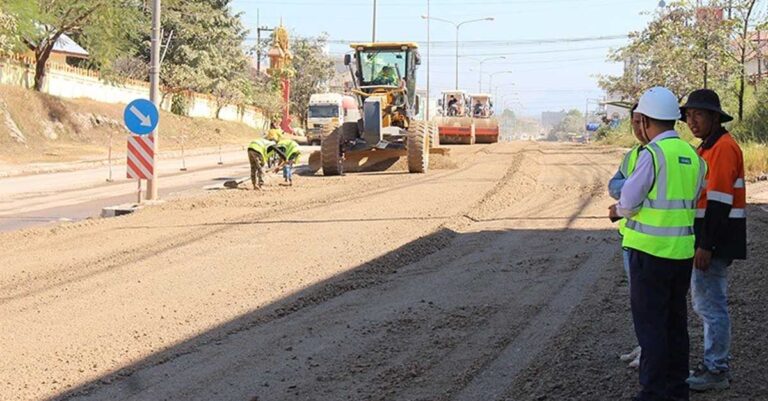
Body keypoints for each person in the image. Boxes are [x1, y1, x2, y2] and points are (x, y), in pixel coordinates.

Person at [609, 86, 706, 401]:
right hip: (680, 255)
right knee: (675, 326)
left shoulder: (652, 154)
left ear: (647, 120)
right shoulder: (693, 155)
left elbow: (628, 199)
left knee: (650, 330)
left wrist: (619, 210)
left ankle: (651, 393)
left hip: (649, 255)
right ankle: (678, 390)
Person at [680, 89, 747, 392]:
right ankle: (713, 364)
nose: (691, 121)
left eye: (698, 114)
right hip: (712, 238)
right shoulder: (708, 148)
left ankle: (716, 369)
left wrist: (705, 245)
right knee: (707, 303)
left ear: (714, 117)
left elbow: (718, 203)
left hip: (714, 240)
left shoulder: (722, 148)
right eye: (688, 116)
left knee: (710, 306)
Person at [607, 103, 647, 369]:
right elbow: (614, 185)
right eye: (632, 122)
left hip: (655, 244)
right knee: (638, 299)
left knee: (652, 302)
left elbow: (630, 194)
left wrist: (630, 186)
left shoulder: (659, 156)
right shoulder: (633, 155)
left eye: (640, 122)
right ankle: (644, 345)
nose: (637, 128)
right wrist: (633, 183)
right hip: (631, 239)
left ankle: (651, 352)